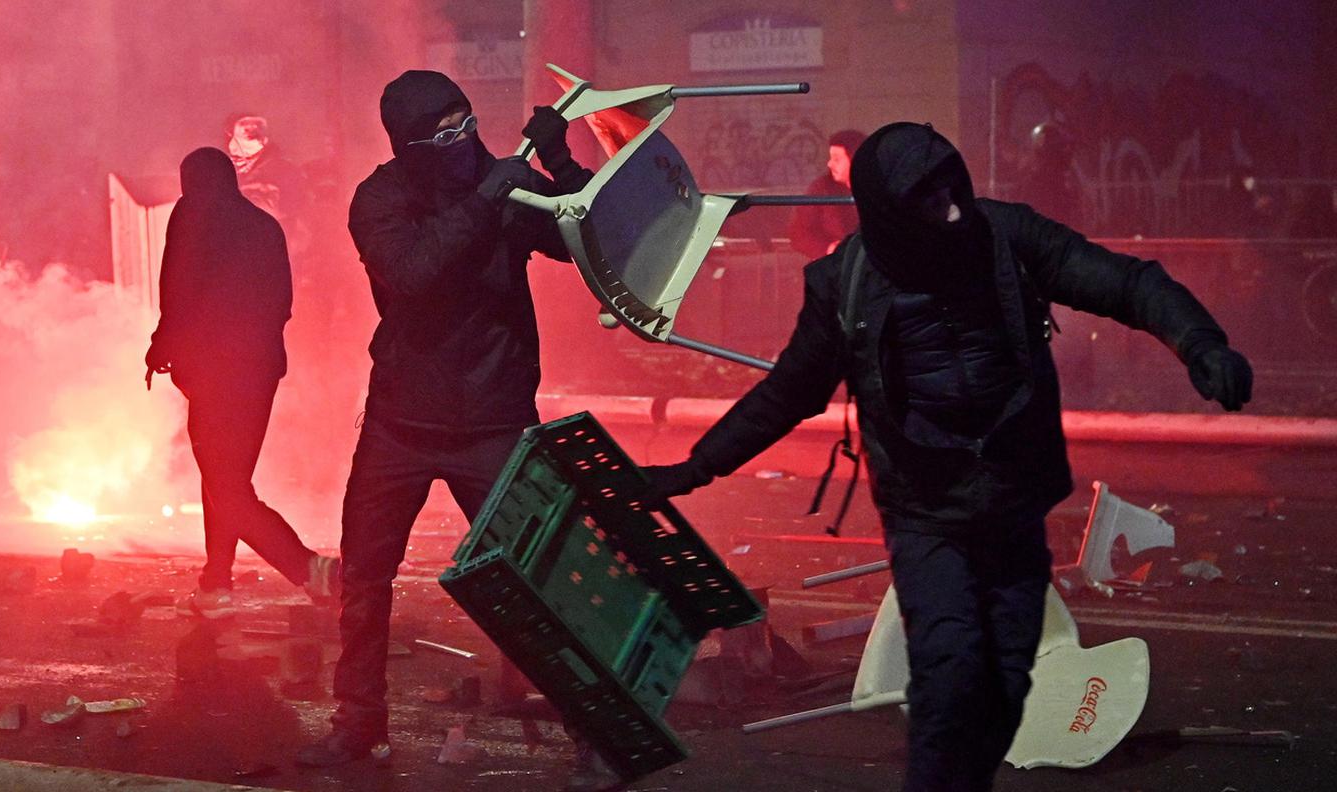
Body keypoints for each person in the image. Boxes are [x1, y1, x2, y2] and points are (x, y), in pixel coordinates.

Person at [642, 122, 1252, 792]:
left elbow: (1126, 284)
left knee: (1000, 685)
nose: (952, 207)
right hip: (926, 514)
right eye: (928, 197)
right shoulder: (844, 286)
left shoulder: (1007, 239)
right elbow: (783, 396)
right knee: (949, 680)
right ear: (890, 211)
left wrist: (1200, 343)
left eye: (951, 186)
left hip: (1014, 503)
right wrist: (692, 470)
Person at [295, 71, 596, 769]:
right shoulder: (381, 199)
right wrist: (490, 198)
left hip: (493, 419)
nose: (464, 144)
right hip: (402, 419)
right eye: (444, 134)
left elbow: (584, 242)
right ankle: (359, 725)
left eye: (467, 124)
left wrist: (562, 165)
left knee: (536, 578)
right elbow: (412, 274)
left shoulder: (503, 180)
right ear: (409, 146)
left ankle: (592, 731)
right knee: (365, 580)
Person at [145, 147, 339, 619]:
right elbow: (283, 302)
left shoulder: (191, 215)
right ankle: (216, 581)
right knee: (227, 479)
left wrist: (162, 346)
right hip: (259, 372)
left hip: (213, 373)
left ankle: (309, 568)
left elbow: (178, 290)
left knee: (224, 483)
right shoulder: (263, 225)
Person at [787, 128, 865, 258]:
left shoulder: (880, 187)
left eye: (837, 159)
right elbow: (798, 232)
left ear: (855, 159)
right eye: (830, 158)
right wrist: (829, 248)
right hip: (834, 268)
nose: (829, 164)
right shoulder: (822, 189)